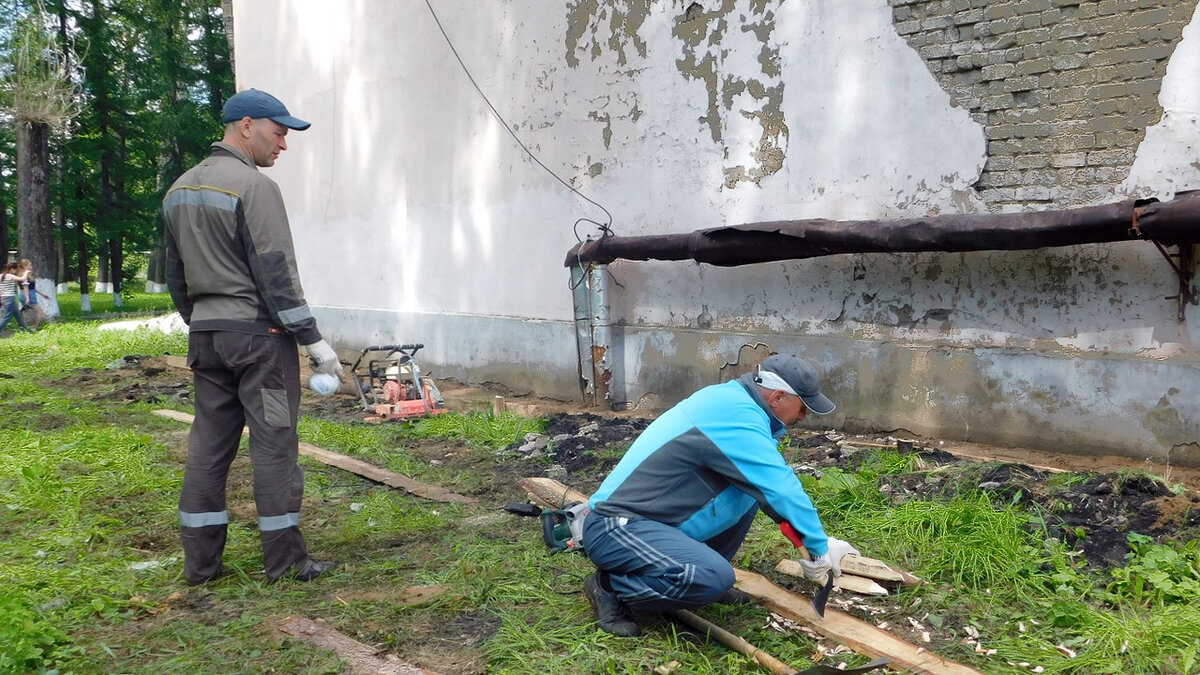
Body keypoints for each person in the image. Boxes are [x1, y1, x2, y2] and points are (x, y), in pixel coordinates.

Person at [162, 88, 343, 585]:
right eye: (278, 131)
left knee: (208, 446)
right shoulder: (253, 187)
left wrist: (203, 319)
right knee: (274, 443)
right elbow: (275, 272)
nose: (283, 143)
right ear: (246, 125)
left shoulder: (178, 189)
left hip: (206, 339)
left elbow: (173, 275)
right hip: (260, 344)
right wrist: (312, 340)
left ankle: (201, 566)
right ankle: (285, 562)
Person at [581, 354, 860, 636]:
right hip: (616, 527)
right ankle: (610, 587)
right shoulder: (734, 413)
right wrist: (820, 544)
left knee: (750, 489)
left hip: (656, 522)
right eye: (802, 407)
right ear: (777, 397)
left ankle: (699, 576)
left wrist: (812, 541)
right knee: (713, 576)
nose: (802, 417)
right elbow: (780, 486)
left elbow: (769, 489)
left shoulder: (736, 403)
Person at [0, 261, 33, 334]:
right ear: (11, 269)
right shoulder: (9, 276)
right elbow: (22, 279)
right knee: (6, 317)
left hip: (4, 298)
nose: (15, 271)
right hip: (8, 298)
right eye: (15, 269)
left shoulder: (1, 276)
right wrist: (26, 272)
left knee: (18, 314)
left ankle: (24, 328)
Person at [18, 259, 44, 327]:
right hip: (29, 295)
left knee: (25, 312)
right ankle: (34, 327)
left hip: (26, 295)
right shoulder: (25, 275)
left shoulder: (25, 275)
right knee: (40, 312)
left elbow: (32, 288)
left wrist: (43, 294)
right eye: (30, 265)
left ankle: (24, 326)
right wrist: (27, 298)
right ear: (24, 266)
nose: (32, 267)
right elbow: (25, 287)